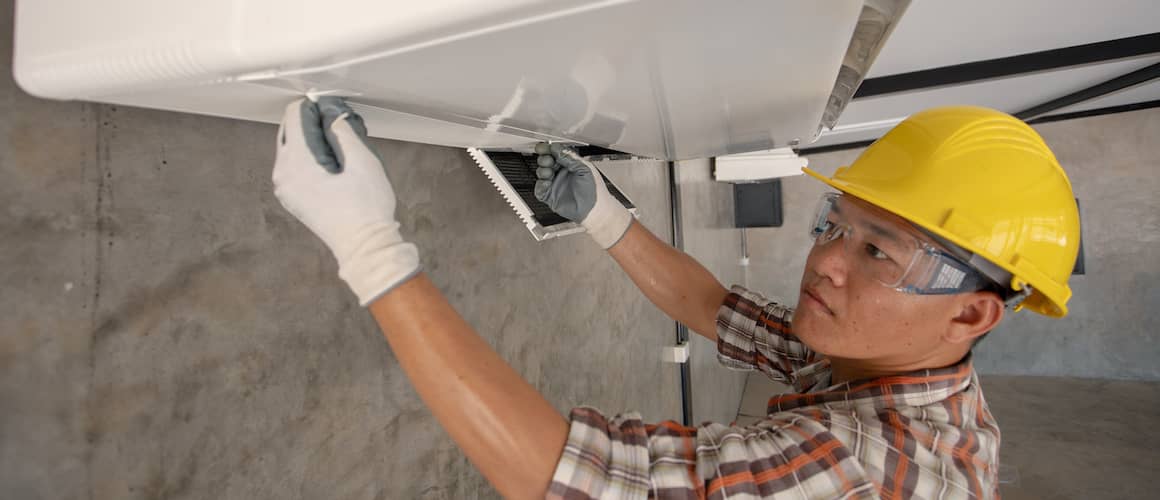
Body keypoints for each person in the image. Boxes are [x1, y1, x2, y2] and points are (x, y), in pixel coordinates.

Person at [272, 99, 1080, 499]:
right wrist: (604, 214)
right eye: (836, 223)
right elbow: (728, 316)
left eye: (877, 250)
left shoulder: (873, 469)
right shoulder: (898, 355)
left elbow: (582, 483)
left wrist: (371, 247)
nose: (827, 260)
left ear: (972, 312)